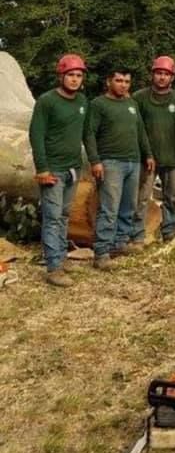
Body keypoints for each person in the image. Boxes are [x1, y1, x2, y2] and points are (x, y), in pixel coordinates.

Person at [28, 53, 89, 287]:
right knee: (52, 218)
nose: (74, 79)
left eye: (78, 75)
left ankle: (61, 257)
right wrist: (42, 168)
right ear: (61, 76)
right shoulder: (47, 101)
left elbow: (84, 135)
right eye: (70, 75)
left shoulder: (83, 101)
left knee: (64, 216)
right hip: (53, 169)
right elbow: (36, 135)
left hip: (73, 168)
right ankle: (53, 267)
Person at [84, 67, 154, 270]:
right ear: (108, 81)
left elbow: (140, 131)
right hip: (111, 163)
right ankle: (102, 252)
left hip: (134, 162)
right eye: (119, 80)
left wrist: (148, 154)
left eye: (126, 81)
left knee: (128, 206)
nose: (123, 85)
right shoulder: (98, 104)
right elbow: (89, 134)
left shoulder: (132, 104)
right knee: (109, 208)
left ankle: (120, 243)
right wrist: (95, 161)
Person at [134, 56, 175, 244]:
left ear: (172, 77)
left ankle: (169, 230)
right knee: (142, 198)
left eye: (166, 74)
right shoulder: (140, 98)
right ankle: (137, 234)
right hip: (147, 157)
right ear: (153, 75)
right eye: (159, 73)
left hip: (171, 156)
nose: (161, 77)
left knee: (171, 197)